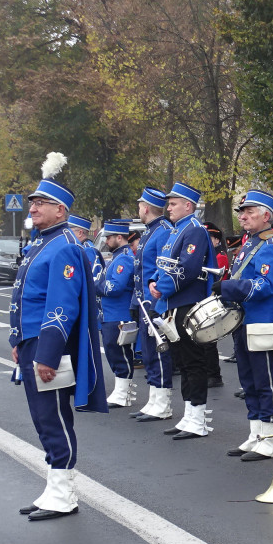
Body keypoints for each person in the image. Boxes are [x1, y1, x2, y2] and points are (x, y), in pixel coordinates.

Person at [10, 164, 106, 521]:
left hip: (50, 347)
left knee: (54, 418)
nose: (32, 208)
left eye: (41, 203)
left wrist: (47, 354)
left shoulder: (63, 247)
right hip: (33, 344)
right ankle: (53, 487)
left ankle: (64, 494)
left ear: (60, 211)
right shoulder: (43, 243)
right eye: (32, 202)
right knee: (42, 417)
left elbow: (61, 308)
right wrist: (17, 339)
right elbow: (26, 299)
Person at [215, 190, 273, 461]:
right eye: (241, 212)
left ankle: (272, 436)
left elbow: (266, 285)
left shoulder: (272, 244)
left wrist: (229, 287)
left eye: (250, 211)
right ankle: (256, 432)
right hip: (245, 321)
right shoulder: (252, 242)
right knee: (249, 380)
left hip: (263, 322)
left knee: (266, 382)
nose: (243, 216)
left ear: (266, 215)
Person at [151, 181, 218, 439]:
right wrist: (153, 282)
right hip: (172, 304)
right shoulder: (177, 230)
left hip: (187, 303)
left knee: (193, 362)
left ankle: (198, 417)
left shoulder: (195, 230)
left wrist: (162, 287)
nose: (169, 207)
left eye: (174, 203)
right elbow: (164, 263)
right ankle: (188, 415)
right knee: (183, 362)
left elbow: (187, 268)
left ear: (188, 205)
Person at [132, 187, 175, 423]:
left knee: (159, 351)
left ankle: (163, 402)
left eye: (140, 205)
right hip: (143, 299)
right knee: (148, 352)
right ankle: (154, 399)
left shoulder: (163, 231)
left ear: (146, 207)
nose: (138, 209)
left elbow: (164, 267)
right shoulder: (151, 231)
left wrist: (156, 300)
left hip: (156, 301)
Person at [97, 220, 139, 408]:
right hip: (110, 314)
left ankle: (124, 392)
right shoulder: (117, 257)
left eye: (109, 237)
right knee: (113, 351)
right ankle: (121, 390)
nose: (106, 240)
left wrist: (95, 285)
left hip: (119, 314)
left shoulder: (123, 259)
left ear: (119, 237)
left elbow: (115, 287)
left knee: (119, 352)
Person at [202, 221, 227, 389]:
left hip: (215, 298)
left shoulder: (220, 256)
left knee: (209, 339)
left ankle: (214, 374)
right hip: (205, 297)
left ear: (217, 240)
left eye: (209, 238)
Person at [67, 215, 105, 281]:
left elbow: (93, 279)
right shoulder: (79, 247)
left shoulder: (88, 250)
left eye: (69, 231)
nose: (67, 234)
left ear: (80, 233)